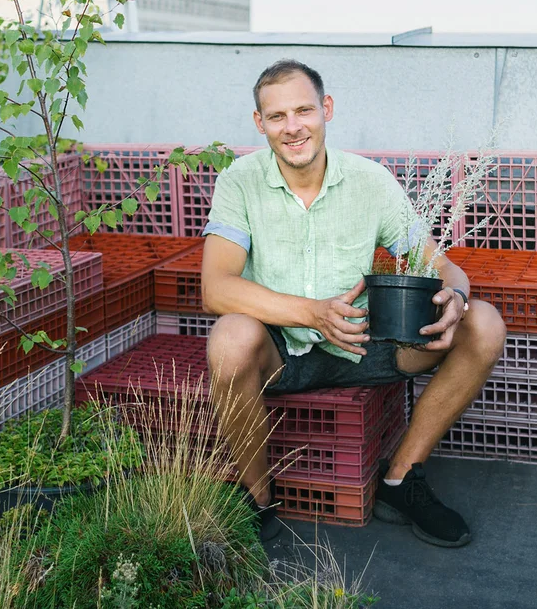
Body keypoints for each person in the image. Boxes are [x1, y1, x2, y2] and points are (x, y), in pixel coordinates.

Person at [201, 59, 506, 547]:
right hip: (282, 353)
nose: (293, 126)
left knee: (484, 323)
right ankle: (257, 499)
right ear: (260, 123)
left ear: (327, 109)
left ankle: (400, 481)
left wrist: (457, 295)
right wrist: (311, 312)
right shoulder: (240, 181)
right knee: (230, 335)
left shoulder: (370, 180)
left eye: (304, 110)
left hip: (367, 343)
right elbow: (215, 288)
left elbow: (441, 264)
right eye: (276, 116)